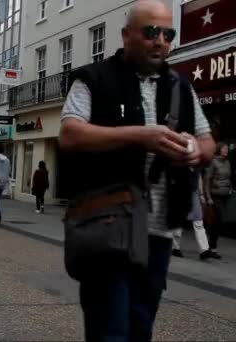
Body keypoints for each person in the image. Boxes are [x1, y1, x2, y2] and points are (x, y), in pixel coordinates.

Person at [59, 1, 215, 340]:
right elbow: (70, 134)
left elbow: (208, 142)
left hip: (159, 232)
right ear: (126, 35)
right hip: (107, 223)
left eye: (167, 34)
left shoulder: (180, 87)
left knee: (141, 326)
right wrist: (142, 136)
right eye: (150, 32)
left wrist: (194, 151)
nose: (159, 40)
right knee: (110, 330)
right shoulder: (93, 78)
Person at [171, 171, 213, 260]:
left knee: (198, 221)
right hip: (180, 191)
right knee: (179, 221)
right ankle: (175, 247)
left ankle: (204, 250)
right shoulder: (181, 161)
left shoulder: (196, 163)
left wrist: (201, 194)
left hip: (193, 192)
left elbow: (198, 177)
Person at [204, 143, 232, 259]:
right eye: (224, 148)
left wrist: (230, 186)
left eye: (227, 149)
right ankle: (210, 246)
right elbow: (207, 180)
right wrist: (208, 197)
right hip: (215, 195)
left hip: (225, 195)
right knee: (219, 220)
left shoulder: (227, 162)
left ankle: (212, 248)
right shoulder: (213, 162)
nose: (226, 150)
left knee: (217, 223)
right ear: (219, 150)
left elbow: (228, 177)